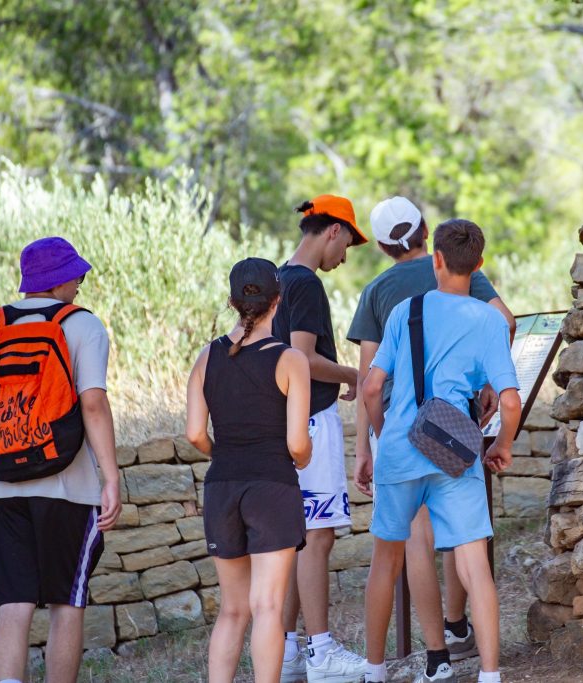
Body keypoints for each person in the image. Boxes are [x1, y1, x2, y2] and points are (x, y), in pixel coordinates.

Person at [346, 197, 515, 679]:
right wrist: (491, 411)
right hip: (455, 447)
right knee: (471, 558)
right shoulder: (478, 301)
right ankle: (488, 671)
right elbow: (506, 338)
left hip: (402, 445)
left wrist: (378, 439)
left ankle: (383, 667)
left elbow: (370, 384)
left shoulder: (390, 301)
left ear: (381, 244)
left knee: (392, 555)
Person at [0, 237, 121, 683]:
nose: (81, 283)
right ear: (61, 279)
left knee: (13, 600)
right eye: (77, 275)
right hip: (68, 485)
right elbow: (93, 404)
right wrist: (111, 477)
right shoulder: (83, 326)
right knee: (67, 602)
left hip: (2, 488)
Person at [185, 257, 313, 683]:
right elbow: (297, 443)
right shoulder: (290, 359)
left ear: (232, 301)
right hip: (271, 487)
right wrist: (302, 458)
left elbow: (195, 434)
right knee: (268, 608)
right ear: (278, 301)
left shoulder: (207, 356)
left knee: (233, 609)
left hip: (222, 486)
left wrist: (224, 453)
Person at [273, 195, 368, 683]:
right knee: (319, 535)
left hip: (282, 424)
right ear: (332, 230)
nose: (345, 255)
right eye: (348, 242)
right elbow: (302, 358)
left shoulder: (274, 277)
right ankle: (322, 651)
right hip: (312, 420)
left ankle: (289, 652)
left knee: (295, 537)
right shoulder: (306, 283)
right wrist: (351, 371)